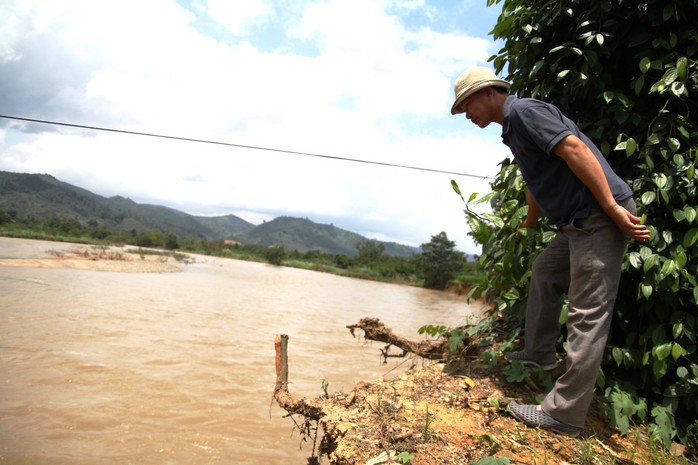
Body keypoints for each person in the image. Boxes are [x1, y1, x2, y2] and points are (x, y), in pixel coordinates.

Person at [450, 67, 650, 437]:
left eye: (467, 105)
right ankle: (539, 353)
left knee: (587, 315)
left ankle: (564, 414)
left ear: (489, 94)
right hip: (577, 221)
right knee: (545, 271)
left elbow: (575, 148)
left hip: (597, 217)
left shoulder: (523, 112)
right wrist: (529, 221)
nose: (466, 114)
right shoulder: (512, 128)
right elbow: (536, 178)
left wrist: (611, 207)